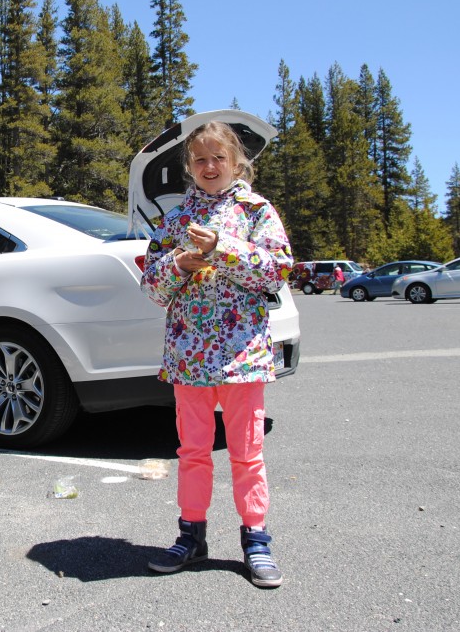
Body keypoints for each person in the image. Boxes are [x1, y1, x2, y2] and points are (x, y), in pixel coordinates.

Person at [140, 120, 292, 588]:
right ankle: (191, 535)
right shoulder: (177, 216)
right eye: (200, 159)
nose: (210, 166)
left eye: (218, 158)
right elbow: (152, 287)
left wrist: (224, 247)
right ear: (190, 165)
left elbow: (278, 272)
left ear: (236, 162)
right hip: (188, 352)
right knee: (193, 451)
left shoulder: (255, 209)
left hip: (243, 352)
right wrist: (178, 263)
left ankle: (256, 540)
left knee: (247, 454)